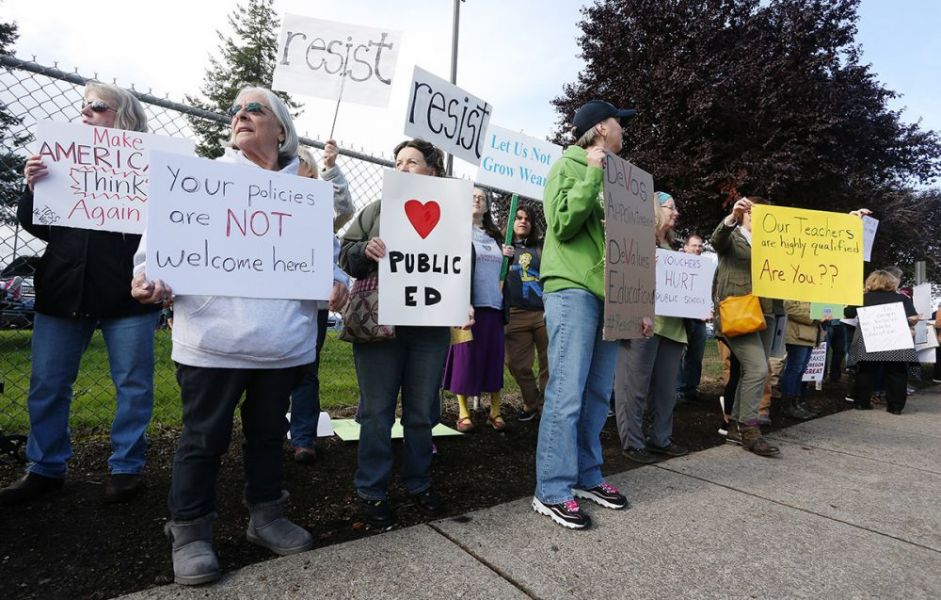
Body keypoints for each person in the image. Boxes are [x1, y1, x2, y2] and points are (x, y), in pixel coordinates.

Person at [131, 86, 349, 585]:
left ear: (282, 130)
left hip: (283, 344)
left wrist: (336, 286)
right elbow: (151, 256)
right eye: (235, 110)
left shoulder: (307, 197)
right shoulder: (199, 180)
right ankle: (189, 532)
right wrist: (147, 279)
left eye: (255, 109)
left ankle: (266, 516)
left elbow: (327, 269)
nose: (240, 115)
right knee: (202, 438)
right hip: (211, 341)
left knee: (268, 434)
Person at [0, 83, 162, 507]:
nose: (86, 113)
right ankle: (45, 468)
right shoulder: (61, 161)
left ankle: (126, 468)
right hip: (64, 289)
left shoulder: (148, 167)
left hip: (127, 295)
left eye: (97, 106)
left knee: (133, 384)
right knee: (48, 384)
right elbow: (38, 226)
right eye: (83, 107)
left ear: (122, 115)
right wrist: (33, 188)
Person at [532, 100, 649, 530]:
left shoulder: (621, 179)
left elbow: (629, 246)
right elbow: (561, 224)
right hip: (572, 290)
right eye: (620, 121)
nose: (624, 128)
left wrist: (638, 304)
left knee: (598, 395)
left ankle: (587, 476)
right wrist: (590, 173)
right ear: (601, 128)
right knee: (566, 391)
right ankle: (552, 489)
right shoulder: (567, 165)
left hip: (609, 297)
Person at [340, 138, 462, 530]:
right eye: (397, 161)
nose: (402, 167)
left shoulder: (452, 212)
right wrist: (364, 252)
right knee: (376, 412)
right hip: (381, 325)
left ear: (433, 171)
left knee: (422, 411)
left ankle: (418, 481)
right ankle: (371, 490)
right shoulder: (376, 210)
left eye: (412, 162)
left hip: (430, 327)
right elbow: (346, 254)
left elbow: (460, 263)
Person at [288, 140, 354, 464]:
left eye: (302, 169)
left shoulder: (318, 211)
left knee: (306, 370)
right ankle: (270, 432)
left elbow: (343, 209)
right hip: (273, 303)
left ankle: (303, 438)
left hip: (310, 307)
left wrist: (331, 167)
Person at [616, 192, 690, 464]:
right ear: (654, 209)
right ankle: (633, 442)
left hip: (672, 328)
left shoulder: (673, 247)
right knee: (633, 387)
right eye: (671, 207)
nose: (675, 212)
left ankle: (661, 439)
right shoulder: (636, 240)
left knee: (665, 390)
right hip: (643, 323)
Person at [710, 196, 779, 456]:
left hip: (766, 312)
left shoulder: (774, 242)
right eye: (752, 213)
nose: (756, 218)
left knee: (751, 371)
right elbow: (717, 240)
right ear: (743, 215)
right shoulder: (733, 237)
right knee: (758, 369)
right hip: (739, 312)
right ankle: (750, 428)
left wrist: (848, 224)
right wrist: (730, 217)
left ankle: (736, 428)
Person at [443, 187, 507, 432]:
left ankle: (495, 409)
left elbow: (503, 270)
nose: (477, 200)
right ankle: (463, 411)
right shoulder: (457, 232)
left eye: (482, 198)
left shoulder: (496, 237)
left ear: (487, 205)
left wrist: (507, 256)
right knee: (465, 357)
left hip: (494, 304)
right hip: (466, 305)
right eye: (472, 197)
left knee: (493, 356)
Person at [844, 270, 918, 414]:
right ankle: (895, 407)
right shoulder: (902, 298)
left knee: (866, 371)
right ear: (892, 282)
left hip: (868, 339)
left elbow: (849, 313)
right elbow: (913, 318)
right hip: (896, 340)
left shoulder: (862, 298)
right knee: (897, 373)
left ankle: (862, 403)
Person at [502, 204, 548, 422]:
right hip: (516, 313)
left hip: (543, 313)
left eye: (527, 219)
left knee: (550, 362)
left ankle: (547, 407)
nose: (522, 221)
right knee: (517, 364)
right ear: (512, 222)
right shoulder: (502, 248)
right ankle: (532, 401)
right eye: (518, 217)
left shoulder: (541, 247)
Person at [675, 234, 708, 403]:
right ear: (686, 247)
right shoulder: (676, 263)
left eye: (700, 246)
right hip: (681, 318)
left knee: (696, 354)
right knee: (679, 353)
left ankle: (691, 388)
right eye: (694, 245)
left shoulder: (706, 267)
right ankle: (678, 389)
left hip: (699, 318)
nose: (697, 249)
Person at [779, 301, 824, 420]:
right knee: (795, 369)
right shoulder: (796, 289)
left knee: (801, 369)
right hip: (797, 335)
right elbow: (790, 309)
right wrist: (814, 317)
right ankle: (787, 405)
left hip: (808, 335)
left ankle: (795, 403)